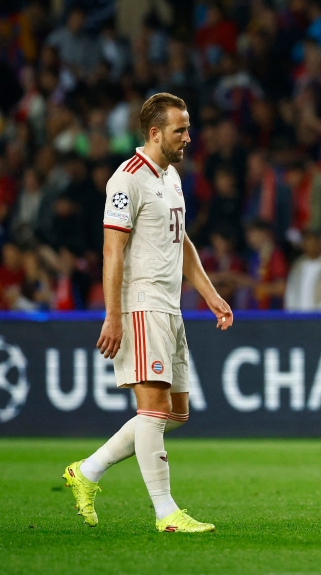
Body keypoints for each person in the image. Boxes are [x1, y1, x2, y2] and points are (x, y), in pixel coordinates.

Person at [64, 93, 233, 534]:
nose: (188, 137)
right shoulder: (126, 181)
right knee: (154, 411)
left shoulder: (171, 176)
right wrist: (114, 314)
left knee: (176, 414)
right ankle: (166, 514)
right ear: (155, 133)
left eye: (188, 128)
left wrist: (210, 294)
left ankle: (88, 471)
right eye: (181, 129)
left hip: (170, 306)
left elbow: (183, 241)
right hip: (141, 304)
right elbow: (112, 250)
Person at [283, 228, 321, 312]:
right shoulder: (298, 265)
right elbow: (291, 294)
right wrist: (292, 315)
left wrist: (319, 318)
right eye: (308, 241)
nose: (311, 245)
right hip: (298, 318)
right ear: (303, 245)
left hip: (320, 319)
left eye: (314, 241)